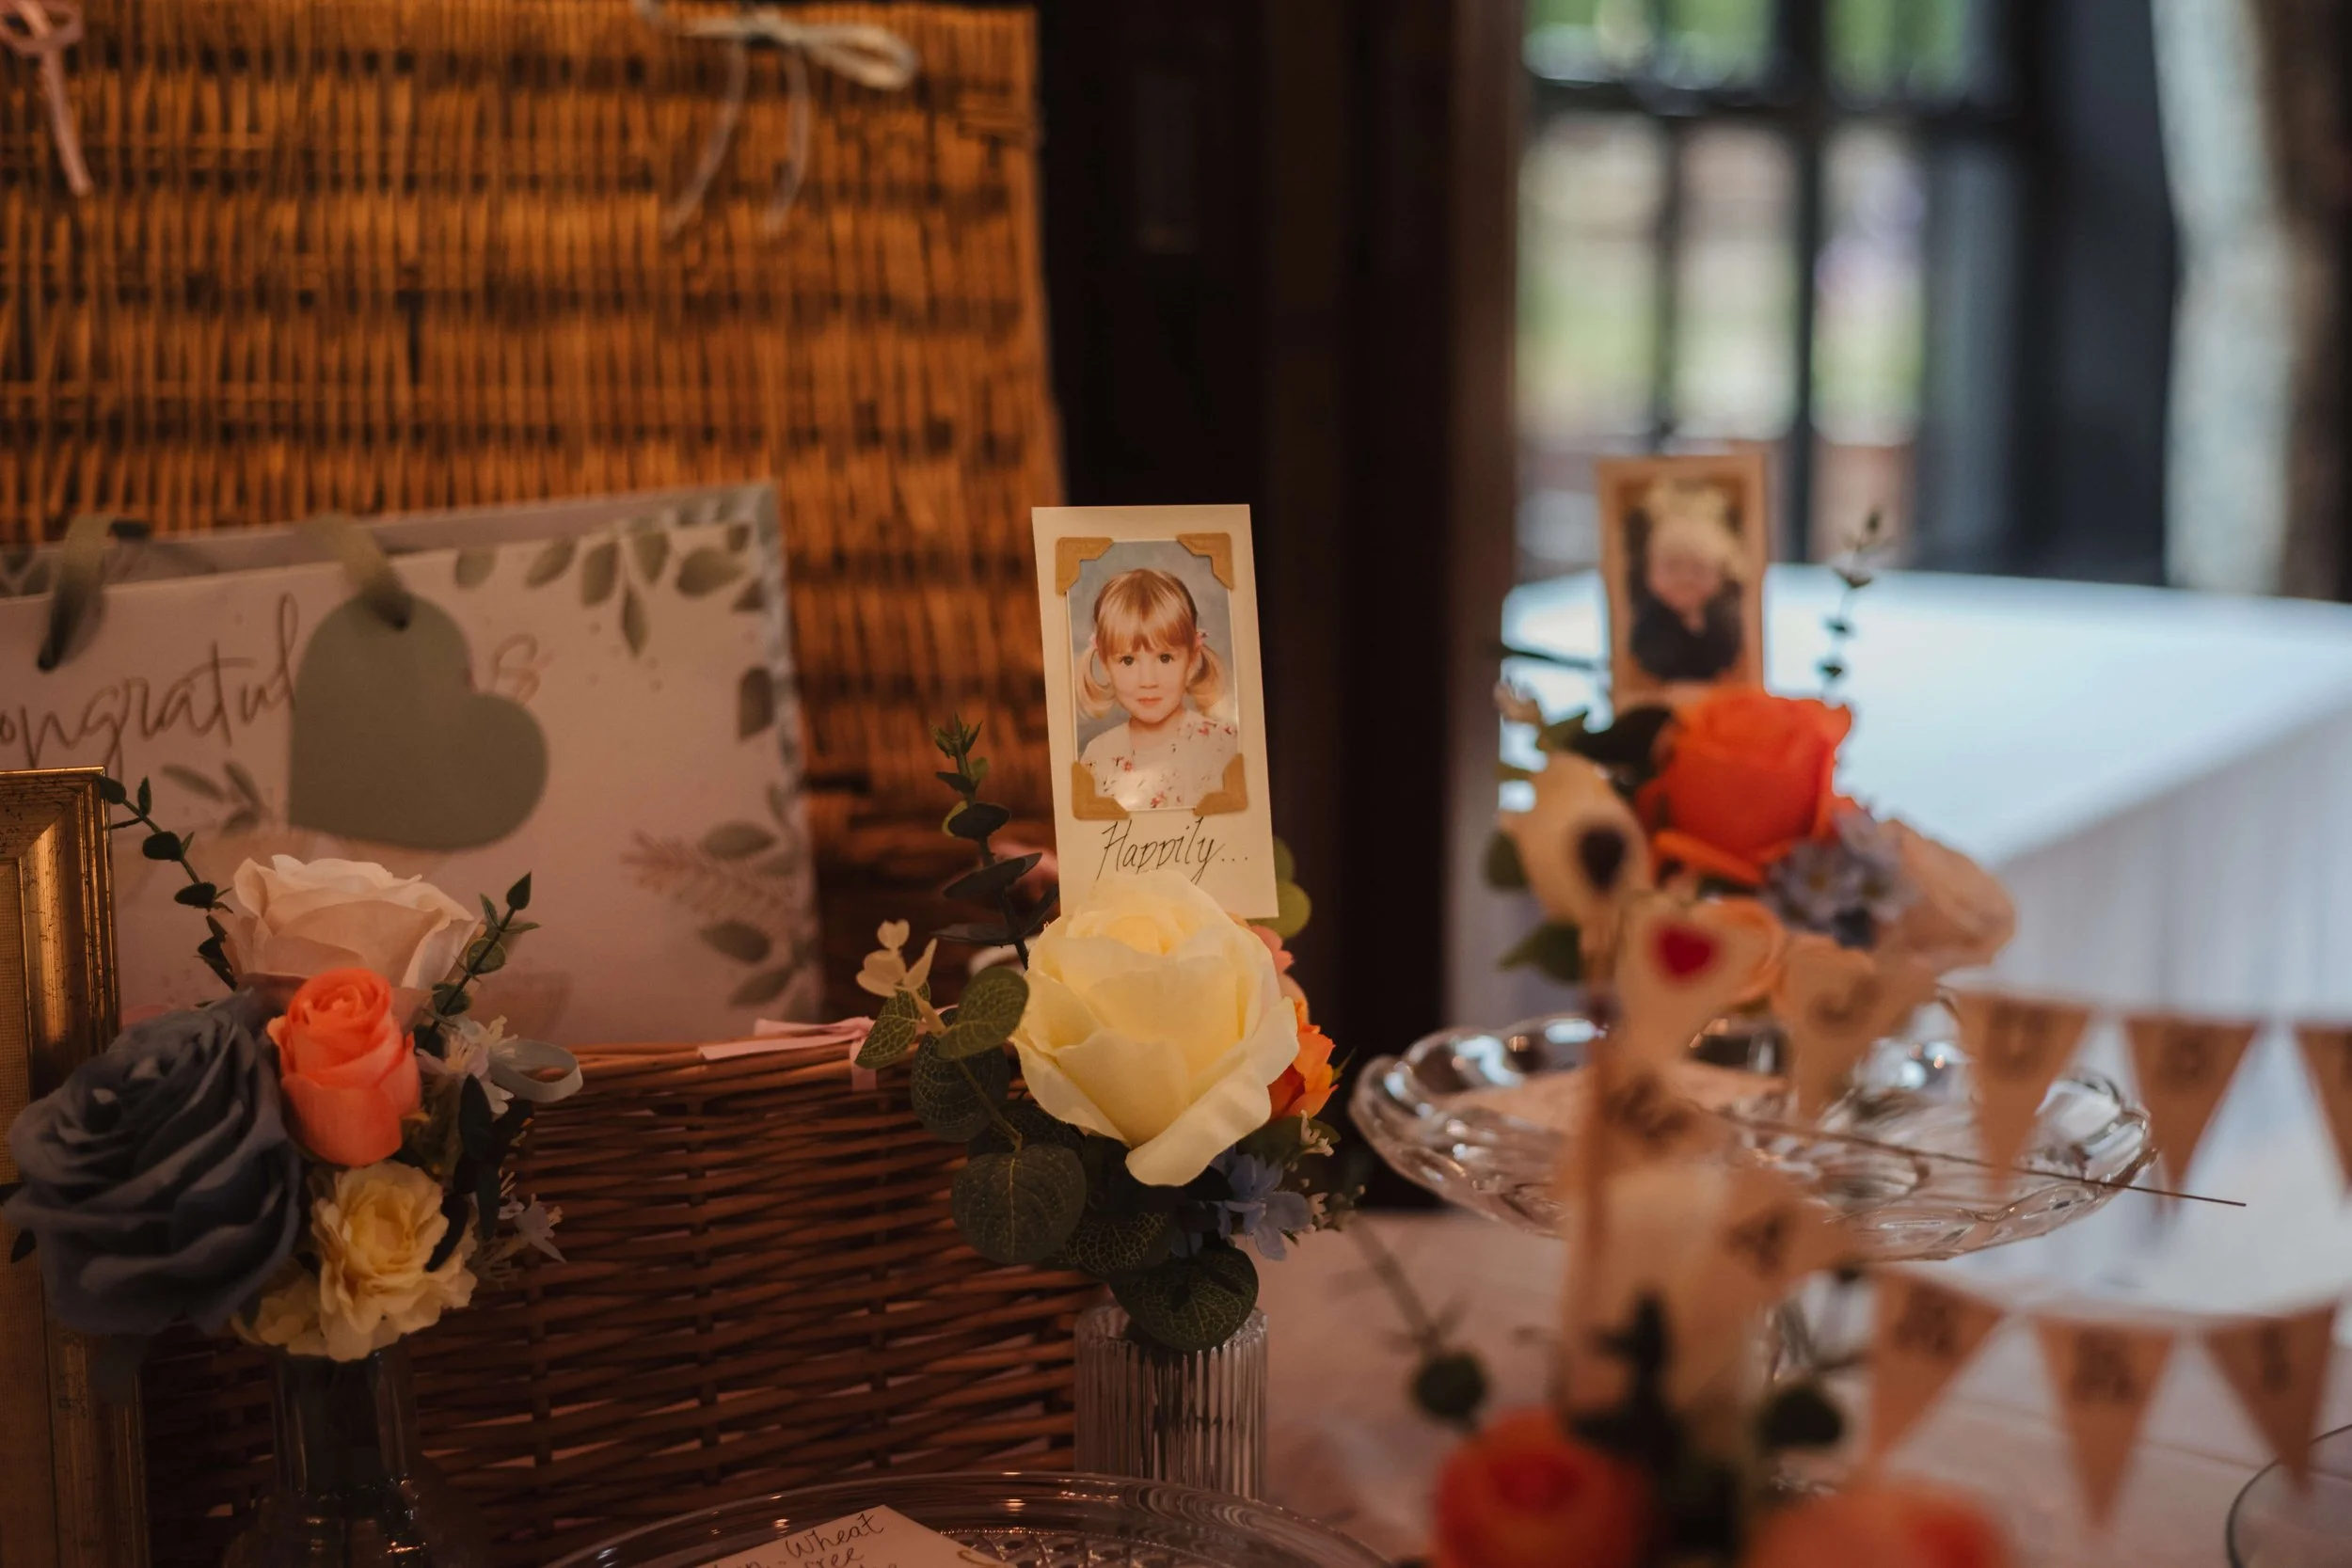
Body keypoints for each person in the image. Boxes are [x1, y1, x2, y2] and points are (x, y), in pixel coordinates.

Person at [1077, 566, 1240, 812]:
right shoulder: (1097, 756)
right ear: (1105, 664)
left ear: (1192, 658)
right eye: (1128, 661)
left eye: (1165, 658)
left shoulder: (1225, 745)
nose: (1148, 680)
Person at [1626, 477, 1745, 686]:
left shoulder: (1724, 619)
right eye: (1673, 567)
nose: (1686, 579)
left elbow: (1725, 659)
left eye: (1698, 568)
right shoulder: (1651, 620)